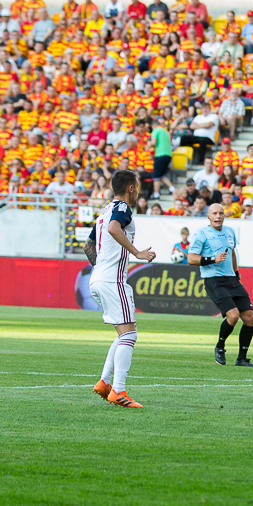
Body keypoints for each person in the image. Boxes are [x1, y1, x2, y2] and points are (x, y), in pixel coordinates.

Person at [82, 170, 155, 409]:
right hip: (112, 280)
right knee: (130, 336)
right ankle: (119, 390)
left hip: (98, 279)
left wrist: (101, 269)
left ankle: (104, 383)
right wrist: (137, 253)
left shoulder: (104, 211)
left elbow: (87, 246)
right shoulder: (122, 208)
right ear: (131, 188)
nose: (138, 192)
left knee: (124, 334)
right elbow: (115, 228)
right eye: (137, 187)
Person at [188, 204, 253, 367]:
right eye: (214, 213)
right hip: (214, 280)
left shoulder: (230, 232)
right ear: (208, 216)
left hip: (232, 279)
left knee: (250, 317)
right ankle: (220, 346)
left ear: (224, 215)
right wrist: (213, 259)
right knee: (233, 316)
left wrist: (237, 274)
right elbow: (191, 258)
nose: (218, 216)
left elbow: (232, 253)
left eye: (220, 213)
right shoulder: (201, 234)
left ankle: (242, 359)